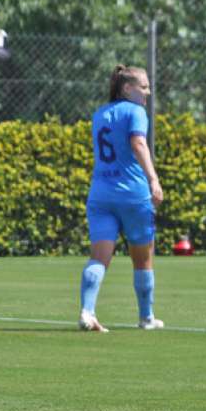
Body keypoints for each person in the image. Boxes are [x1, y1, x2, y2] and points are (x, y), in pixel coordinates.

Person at [77, 65, 164, 333]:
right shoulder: (136, 112)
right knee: (142, 258)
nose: (148, 92)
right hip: (132, 195)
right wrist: (153, 179)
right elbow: (138, 143)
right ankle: (146, 317)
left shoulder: (100, 113)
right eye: (144, 87)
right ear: (127, 88)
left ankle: (87, 311)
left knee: (99, 258)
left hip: (101, 194)